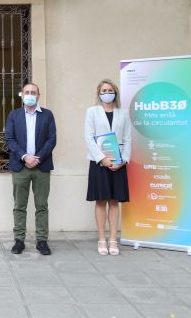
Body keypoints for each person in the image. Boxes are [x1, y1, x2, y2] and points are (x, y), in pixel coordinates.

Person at [5, 82, 56, 255]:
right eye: (26, 92)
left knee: (41, 205)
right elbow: (10, 139)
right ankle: (19, 240)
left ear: (38, 95)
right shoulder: (14, 115)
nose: (30, 94)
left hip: (42, 167)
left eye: (33, 92)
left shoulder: (47, 115)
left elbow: (51, 139)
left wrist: (37, 158)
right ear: (22, 95)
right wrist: (25, 157)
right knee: (19, 205)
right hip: (20, 167)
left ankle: (42, 241)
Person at [84, 79, 131, 256]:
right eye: (104, 90)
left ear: (115, 93)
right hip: (99, 163)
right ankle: (102, 239)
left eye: (110, 90)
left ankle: (113, 239)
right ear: (99, 93)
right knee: (101, 200)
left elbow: (127, 139)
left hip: (118, 163)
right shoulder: (92, 112)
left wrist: (123, 160)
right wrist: (102, 159)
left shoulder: (123, 114)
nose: (107, 92)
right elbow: (88, 137)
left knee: (114, 201)